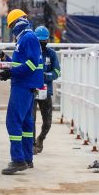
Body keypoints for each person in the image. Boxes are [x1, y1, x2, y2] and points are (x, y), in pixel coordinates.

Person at [0, 9, 44, 175]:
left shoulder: (28, 37)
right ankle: (27, 158)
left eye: (11, 25)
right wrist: (3, 58)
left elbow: (31, 64)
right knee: (26, 124)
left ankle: (18, 160)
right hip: (25, 85)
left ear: (14, 24)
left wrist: (11, 73)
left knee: (13, 121)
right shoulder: (25, 38)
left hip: (22, 86)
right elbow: (19, 63)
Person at [33, 26, 61, 154]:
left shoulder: (51, 54)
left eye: (44, 41)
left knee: (48, 121)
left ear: (47, 40)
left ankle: (40, 139)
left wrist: (46, 76)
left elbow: (56, 71)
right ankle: (32, 144)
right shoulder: (32, 52)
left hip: (46, 91)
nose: (42, 44)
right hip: (32, 90)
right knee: (30, 119)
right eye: (40, 41)